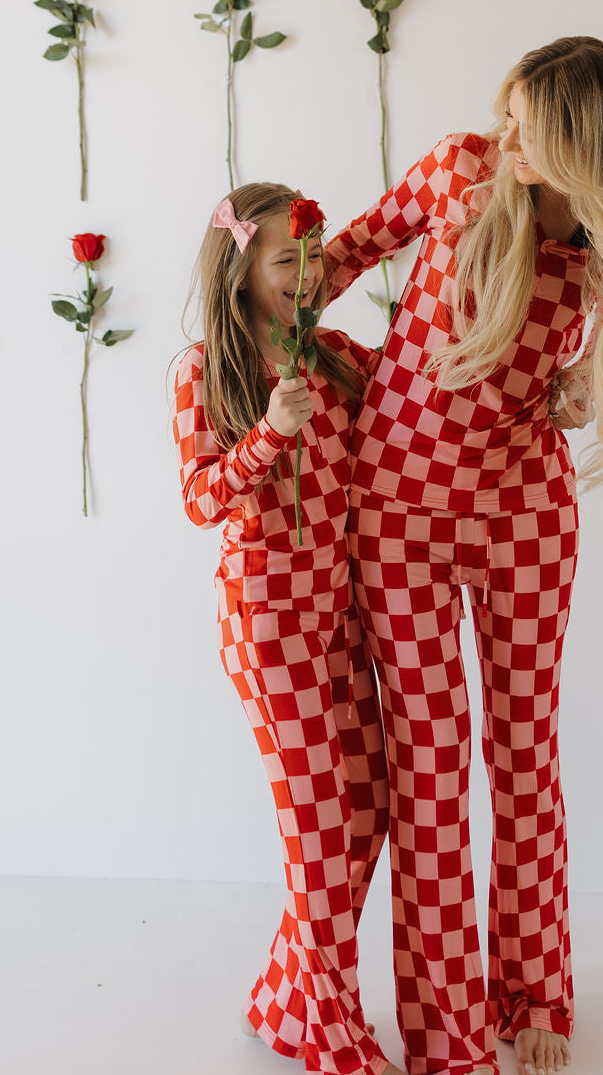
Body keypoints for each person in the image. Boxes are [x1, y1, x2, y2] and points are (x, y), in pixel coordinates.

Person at [326, 37, 603, 1075]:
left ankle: (533, 993)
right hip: (399, 508)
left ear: (582, 144)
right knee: (430, 770)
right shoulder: (458, 171)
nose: (503, 134)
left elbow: (583, 378)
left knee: (522, 759)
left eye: (529, 124)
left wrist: (568, 394)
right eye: (506, 112)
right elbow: (342, 253)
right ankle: (445, 1031)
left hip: (522, 511)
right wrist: (254, 337)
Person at [173, 183, 402, 1075]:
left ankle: (282, 997)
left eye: (313, 256)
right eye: (284, 261)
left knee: (370, 808)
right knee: (319, 834)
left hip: (339, 619)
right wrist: (268, 436)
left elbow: (427, 390)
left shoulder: (339, 356)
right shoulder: (207, 371)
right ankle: (331, 1032)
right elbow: (199, 500)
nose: (309, 276)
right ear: (240, 272)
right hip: (268, 627)